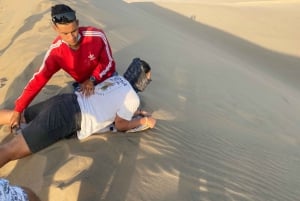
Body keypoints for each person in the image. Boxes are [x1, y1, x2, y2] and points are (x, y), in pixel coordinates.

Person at [0, 59, 156, 168]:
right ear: (140, 78)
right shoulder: (133, 97)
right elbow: (121, 125)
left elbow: (110, 103)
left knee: (18, 117)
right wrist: (144, 122)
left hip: (65, 100)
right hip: (69, 117)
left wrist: (137, 112)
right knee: (10, 150)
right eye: (147, 79)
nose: (147, 83)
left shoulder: (117, 80)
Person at [10, 4, 116, 131]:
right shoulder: (56, 52)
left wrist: (93, 79)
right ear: (55, 28)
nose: (71, 37)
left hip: (106, 78)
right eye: (65, 33)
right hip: (83, 88)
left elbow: (109, 63)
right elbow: (38, 79)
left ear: (77, 23)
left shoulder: (97, 35)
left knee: (121, 110)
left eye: (74, 31)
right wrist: (18, 109)